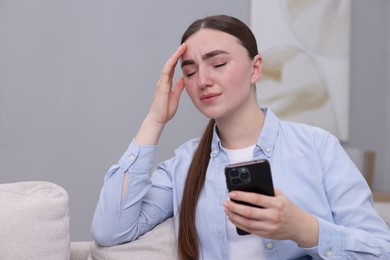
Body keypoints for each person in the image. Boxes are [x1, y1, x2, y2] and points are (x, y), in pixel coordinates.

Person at [91, 15, 390, 259]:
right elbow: (111, 229)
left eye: (218, 64)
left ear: (255, 68)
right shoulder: (184, 165)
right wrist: (155, 119)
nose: (204, 81)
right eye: (191, 71)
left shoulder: (317, 147)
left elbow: (381, 250)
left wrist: (304, 229)